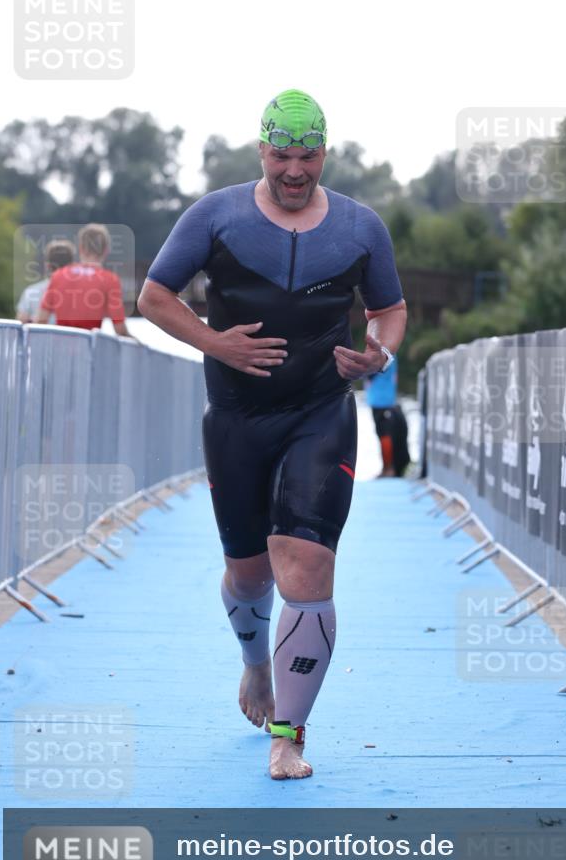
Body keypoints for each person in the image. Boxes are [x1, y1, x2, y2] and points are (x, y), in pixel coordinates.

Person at [138, 89, 407, 780]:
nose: (294, 169)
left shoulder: (359, 227)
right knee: (248, 573)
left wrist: (376, 351)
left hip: (319, 411)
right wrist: (215, 344)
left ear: (324, 153)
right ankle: (256, 665)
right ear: (261, 150)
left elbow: (389, 309)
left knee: (306, 565)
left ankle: (288, 735)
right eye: (281, 154)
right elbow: (154, 296)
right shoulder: (217, 216)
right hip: (236, 419)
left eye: (307, 155)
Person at [36, 223, 134, 336]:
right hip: (89, 350)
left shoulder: (58, 275)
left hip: (60, 348)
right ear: (106, 250)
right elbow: (119, 329)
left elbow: (41, 320)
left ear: (81, 248)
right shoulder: (110, 280)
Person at [364, 357, 411, 477]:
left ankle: (389, 468)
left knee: (385, 435)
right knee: (383, 435)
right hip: (384, 400)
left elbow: (369, 373)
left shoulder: (382, 353)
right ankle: (387, 468)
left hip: (382, 401)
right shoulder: (390, 354)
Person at [16, 239, 76, 324]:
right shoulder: (80, 293)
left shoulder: (31, 291)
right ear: (72, 265)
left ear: (47, 266)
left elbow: (21, 320)